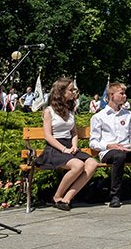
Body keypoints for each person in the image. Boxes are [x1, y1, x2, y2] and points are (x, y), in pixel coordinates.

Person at [89, 82, 131, 208]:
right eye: (121, 93)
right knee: (119, 156)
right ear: (111, 95)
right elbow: (93, 142)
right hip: (109, 152)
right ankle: (115, 195)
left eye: (124, 93)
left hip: (127, 150)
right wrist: (109, 145)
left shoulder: (128, 114)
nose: (124, 96)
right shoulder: (99, 117)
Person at [36, 77, 99, 211]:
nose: (73, 92)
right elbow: (48, 136)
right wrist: (64, 149)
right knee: (78, 165)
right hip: (55, 147)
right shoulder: (49, 111)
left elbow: (74, 133)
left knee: (92, 163)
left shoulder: (70, 111)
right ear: (61, 91)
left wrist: (74, 145)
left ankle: (67, 198)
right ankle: (57, 196)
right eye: (71, 90)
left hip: (69, 146)